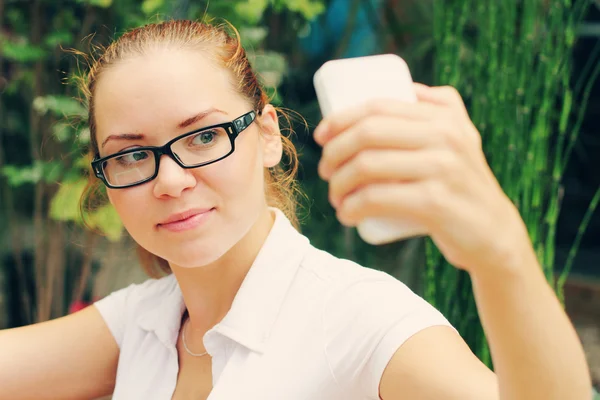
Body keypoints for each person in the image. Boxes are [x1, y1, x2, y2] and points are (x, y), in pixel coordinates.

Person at [0, 19, 592, 400]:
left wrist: (502, 258)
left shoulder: (359, 318)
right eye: (129, 155)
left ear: (267, 134)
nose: (171, 180)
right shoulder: (142, 324)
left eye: (204, 136)